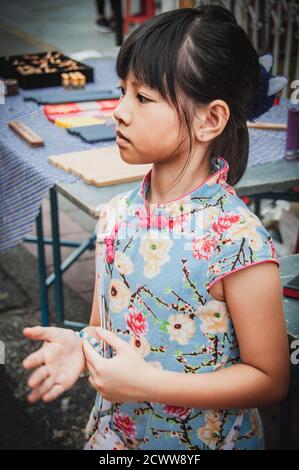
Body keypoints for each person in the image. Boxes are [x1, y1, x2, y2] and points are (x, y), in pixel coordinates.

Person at [23, 4, 290, 450]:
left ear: (210, 119)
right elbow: (102, 327)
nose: (120, 111)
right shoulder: (116, 214)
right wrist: (81, 345)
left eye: (143, 98)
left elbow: (269, 378)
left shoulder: (237, 240)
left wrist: (148, 385)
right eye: (123, 91)